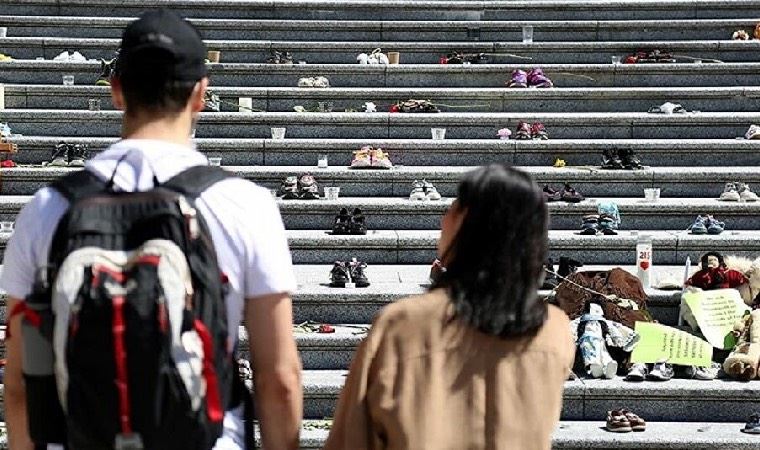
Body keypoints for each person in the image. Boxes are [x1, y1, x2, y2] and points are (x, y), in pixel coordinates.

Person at [2, 10, 302, 450]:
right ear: (201, 94)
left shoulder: (49, 208)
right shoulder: (245, 205)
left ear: (117, 90)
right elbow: (278, 377)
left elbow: (21, 379)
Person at [324, 164, 575, 450]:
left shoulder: (402, 324)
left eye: (451, 209)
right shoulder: (555, 330)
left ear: (463, 222)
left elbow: (352, 438)